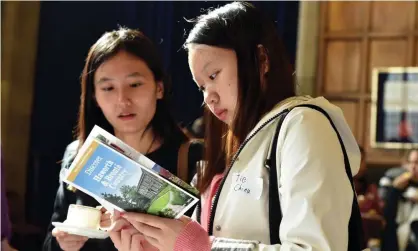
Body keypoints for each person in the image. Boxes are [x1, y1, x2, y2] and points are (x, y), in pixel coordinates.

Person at [107, 2, 364, 251]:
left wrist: (200, 247)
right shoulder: (235, 144)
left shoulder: (304, 125)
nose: (209, 97)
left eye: (214, 75)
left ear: (261, 59)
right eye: (202, 86)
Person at [42, 28, 202, 251]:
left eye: (135, 84)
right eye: (108, 88)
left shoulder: (195, 158)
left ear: (159, 88)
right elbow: (51, 240)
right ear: (94, 97)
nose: (122, 100)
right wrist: (63, 244)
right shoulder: (79, 155)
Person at [381, 149, 418, 251]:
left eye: (417, 163)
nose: (413, 167)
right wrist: (395, 190)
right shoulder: (397, 182)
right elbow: (387, 217)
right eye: (411, 162)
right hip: (397, 238)